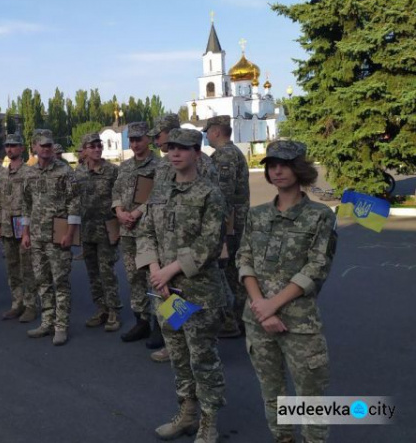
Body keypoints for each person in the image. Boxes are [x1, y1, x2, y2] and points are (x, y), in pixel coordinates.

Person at [237, 140, 336, 443]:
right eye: (271, 165)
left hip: (298, 322)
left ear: (299, 168)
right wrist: (260, 306)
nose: (276, 170)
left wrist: (272, 306)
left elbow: (316, 268)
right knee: (272, 390)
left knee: (310, 396)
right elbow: (245, 260)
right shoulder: (256, 215)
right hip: (258, 319)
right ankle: (283, 437)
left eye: (284, 164)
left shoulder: (320, 215)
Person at [136, 128, 227, 443]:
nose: (175, 153)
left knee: (202, 357)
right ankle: (187, 413)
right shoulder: (160, 192)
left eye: (183, 148)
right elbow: (145, 231)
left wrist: (170, 270)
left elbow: (211, 243)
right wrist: (154, 269)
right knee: (177, 353)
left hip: (199, 293)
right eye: (171, 147)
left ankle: (209, 422)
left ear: (196, 154)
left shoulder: (209, 193)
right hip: (167, 292)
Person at [21, 129, 81, 346]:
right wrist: (25, 233)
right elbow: (26, 204)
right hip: (37, 236)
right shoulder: (29, 173)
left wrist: (70, 234)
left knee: (60, 281)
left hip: (58, 235)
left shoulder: (65, 171)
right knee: (42, 280)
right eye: (42, 145)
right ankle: (47, 322)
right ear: (35, 147)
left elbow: (74, 203)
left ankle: (61, 326)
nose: (46, 149)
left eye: (49, 145)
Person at [204, 115, 250, 338]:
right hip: (234, 221)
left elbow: (222, 194)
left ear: (216, 132)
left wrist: (219, 229)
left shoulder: (225, 155)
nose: (206, 136)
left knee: (226, 270)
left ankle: (234, 320)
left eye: (207, 131)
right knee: (232, 270)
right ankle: (240, 319)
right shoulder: (231, 152)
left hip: (229, 224)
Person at [111, 121, 157, 343]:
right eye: (132, 140)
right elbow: (117, 191)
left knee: (156, 278)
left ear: (148, 139)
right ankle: (142, 321)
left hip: (150, 231)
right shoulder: (125, 166)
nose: (135, 144)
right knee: (133, 276)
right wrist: (119, 211)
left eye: (139, 139)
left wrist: (137, 213)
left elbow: (159, 196)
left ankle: (163, 325)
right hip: (127, 231)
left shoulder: (160, 166)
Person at [77, 132, 122, 332]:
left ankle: (113, 310)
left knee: (107, 272)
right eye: (92, 146)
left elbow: (121, 198)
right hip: (87, 230)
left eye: (99, 145)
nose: (96, 149)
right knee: (93, 273)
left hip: (106, 230)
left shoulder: (112, 171)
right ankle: (101, 308)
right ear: (84, 150)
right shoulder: (78, 174)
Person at [0, 134, 38, 322]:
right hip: (6, 225)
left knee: (27, 266)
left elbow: (34, 202)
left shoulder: (29, 173)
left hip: (23, 225)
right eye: (7, 146)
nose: (9, 149)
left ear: (21, 148)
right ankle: (16, 302)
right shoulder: (2, 174)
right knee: (12, 266)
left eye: (13, 146)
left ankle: (30, 305)